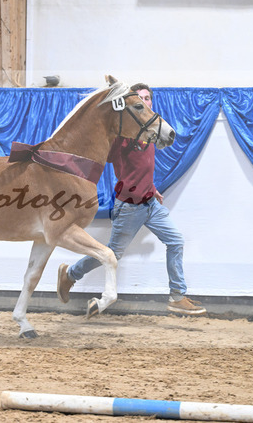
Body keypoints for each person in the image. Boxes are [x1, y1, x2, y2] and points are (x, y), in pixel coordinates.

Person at [57, 83, 206, 315]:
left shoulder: (149, 131)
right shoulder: (124, 135)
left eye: (147, 98)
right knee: (112, 253)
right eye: (140, 99)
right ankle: (70, 274)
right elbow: (108, 155)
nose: (144, 102)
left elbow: (143, 166)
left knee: (176, 241)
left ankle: (177, 296)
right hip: (129, 207)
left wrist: (152, 187)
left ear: (151, 102)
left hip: (150, 203)